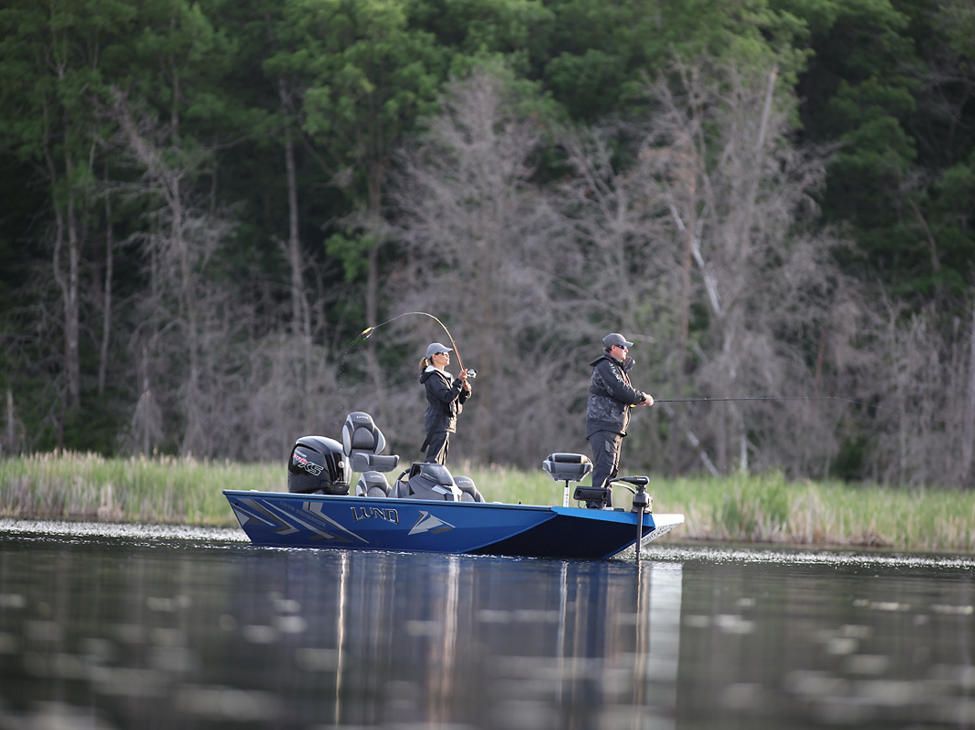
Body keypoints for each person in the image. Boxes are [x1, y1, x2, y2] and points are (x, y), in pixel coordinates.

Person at [586, 332, 654, 506]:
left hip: (613, 428)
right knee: (604, 468)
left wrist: (635, 398)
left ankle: (604, 508)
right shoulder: (604, 366)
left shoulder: (615, 368)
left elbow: (620, 394)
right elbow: (621, 390)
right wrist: (642, 397)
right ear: (614, 348)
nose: (626, 351)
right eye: (623, 347)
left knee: (611, 471)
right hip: (603, 426)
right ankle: (595, 509)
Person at [419, 342, 472, 465]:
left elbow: (456, 403)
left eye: (447, 353)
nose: (447, 356)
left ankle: (434, 483)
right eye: (443, 353)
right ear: (434, 357)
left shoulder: (446, 377)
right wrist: (458, 381)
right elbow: (446, 397)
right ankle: (427, 483)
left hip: (445, 424)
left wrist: (465, 390)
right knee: (433, 462)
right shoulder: (433, 377)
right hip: (437, 423)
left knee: (440, 462)